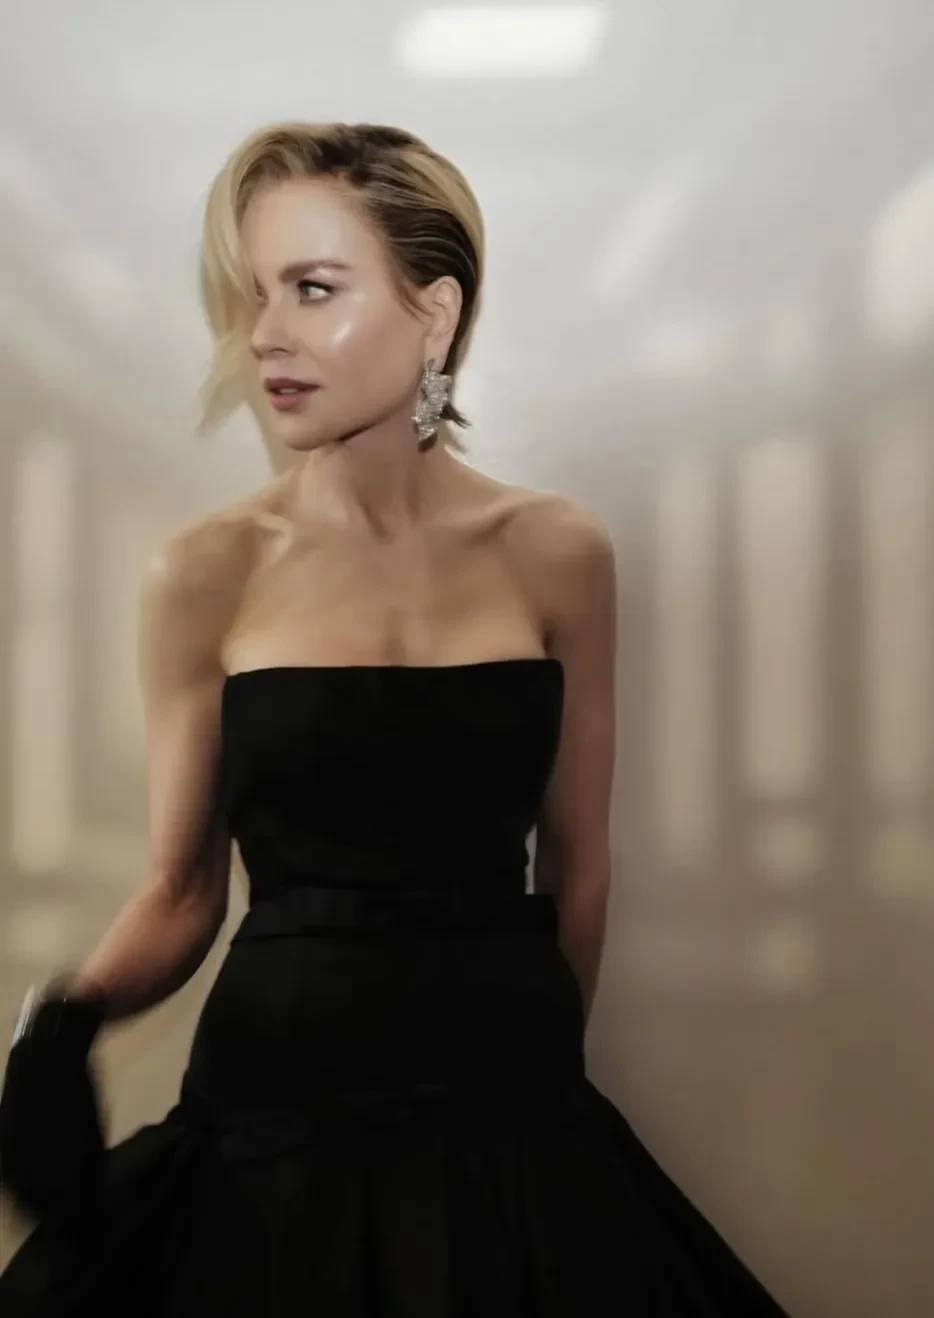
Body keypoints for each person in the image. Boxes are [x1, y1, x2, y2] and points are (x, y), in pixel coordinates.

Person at [0, 121, 789, 1314]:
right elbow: (181, 889)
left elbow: (579, 869)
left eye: (312, 289)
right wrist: (59, 1026)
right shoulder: (206, 572)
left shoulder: (558, 551)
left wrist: (532, 1082)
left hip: (511, 1119)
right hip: (272, 1130)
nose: (266, 334)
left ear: (435, 313)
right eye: (257, 295)